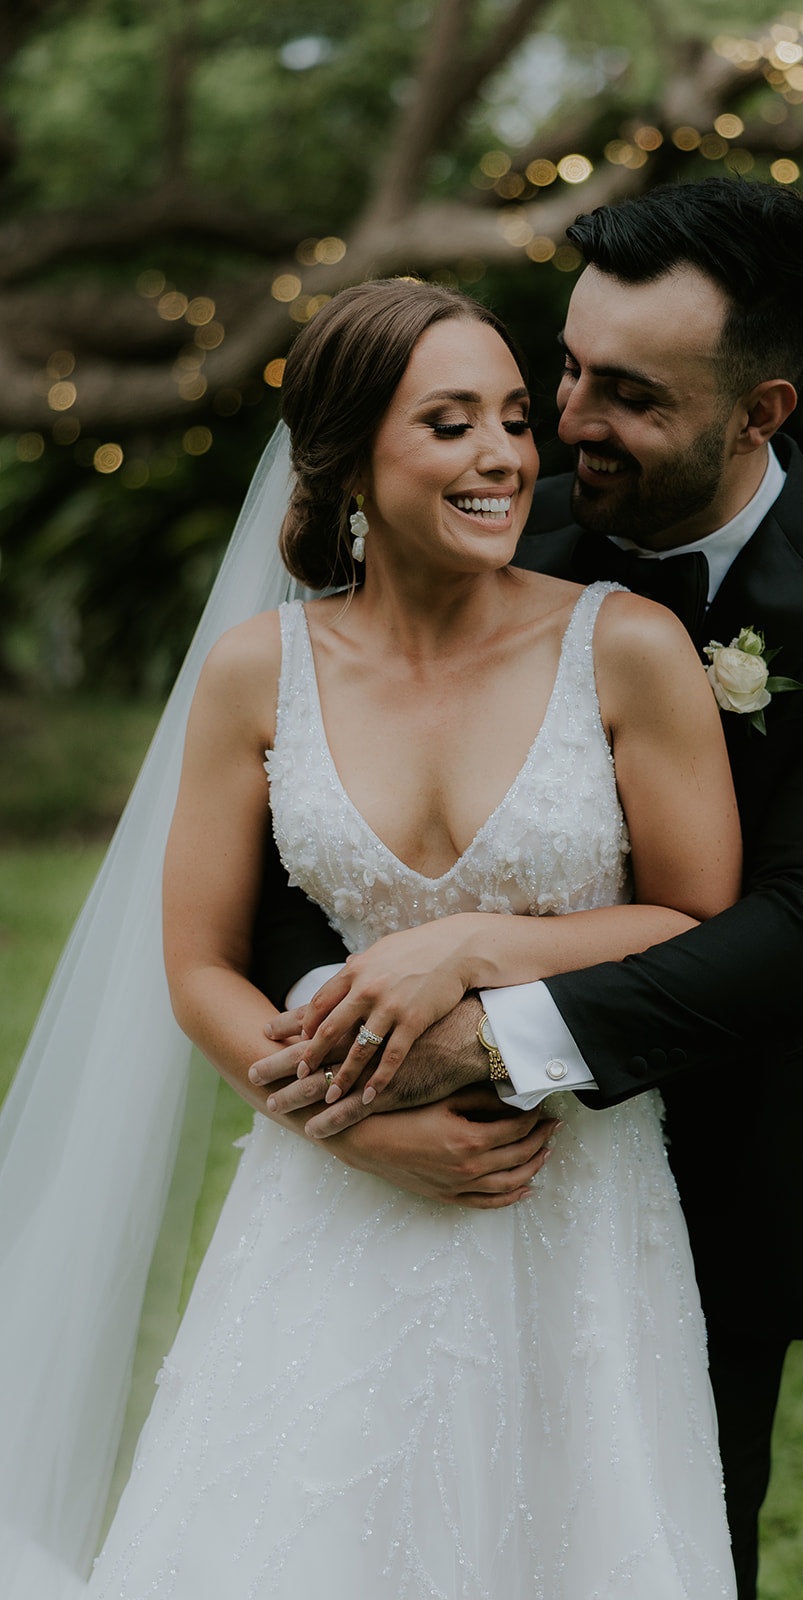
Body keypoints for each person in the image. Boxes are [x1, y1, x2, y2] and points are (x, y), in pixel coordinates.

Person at [249, 179, 803, 1599]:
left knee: (659, 1544)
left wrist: (486, 1033)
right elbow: (301, 835)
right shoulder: (489, 521)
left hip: (726, 1158)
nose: (564, 424)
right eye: (567, 365)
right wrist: (351, 1083)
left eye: (628, 394)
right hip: (408, 1149)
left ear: (760, 411)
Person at [0, 279, 743, 1597]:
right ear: (350, 462)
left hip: (563, 1192)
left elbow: (693, 915)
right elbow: (198, 971)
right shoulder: (257, 670)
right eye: (449, 423)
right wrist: (349, 1126)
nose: (506, 455)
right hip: (327, 1198)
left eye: (514, 418)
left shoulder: (624, 648)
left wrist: (467, 948)